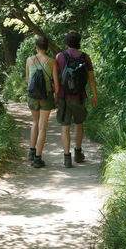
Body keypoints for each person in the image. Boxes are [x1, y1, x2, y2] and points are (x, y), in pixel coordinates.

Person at [55, 31, 98, 168]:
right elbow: (91, 79)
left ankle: (67, 158)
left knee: (65, 126)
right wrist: (94, 96)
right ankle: (78, 154)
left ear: (66, 42)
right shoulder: (85, 57)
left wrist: (55, 96)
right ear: (79, 42)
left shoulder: (59, 57)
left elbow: (55, 79)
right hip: (79, 96)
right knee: (79, 124)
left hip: (63, 96)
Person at [26, 36, 59, 168]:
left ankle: (31, 151)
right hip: (46, 97)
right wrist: (56, 98)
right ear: (47, 47)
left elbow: (28, 79)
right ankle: (38, 158)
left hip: (32, 96)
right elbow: (56, 83)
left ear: (37, 47)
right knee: (42, 127)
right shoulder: (52, 62)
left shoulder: (29, 60)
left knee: (35, 122)